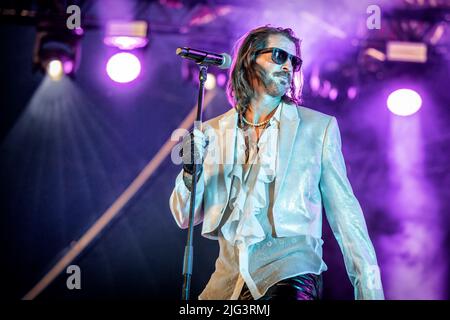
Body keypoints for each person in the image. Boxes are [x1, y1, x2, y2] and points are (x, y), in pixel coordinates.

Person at [169, 25, 384, 300]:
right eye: (279, 56)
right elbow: (184, 217)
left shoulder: (318, 128)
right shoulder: (212, 132)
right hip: (228, 280)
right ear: (249, 59)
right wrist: (190, 171)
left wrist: (369, 290)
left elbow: (346, 215)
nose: (288, 67)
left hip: (292, 271)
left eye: (294, 61)